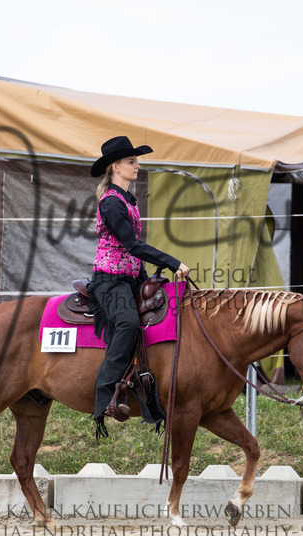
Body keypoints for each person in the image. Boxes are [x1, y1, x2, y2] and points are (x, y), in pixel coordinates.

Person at [87, 136, 190, 434]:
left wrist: (150, 279)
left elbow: (133, 255)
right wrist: (172, 262)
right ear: (116, 166)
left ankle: (148, 395)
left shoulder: (129, 200)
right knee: (129, 325)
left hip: (132, 277)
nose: (137, 165)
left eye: (136, 161)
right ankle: (105, 396)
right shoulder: (110, 203)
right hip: (110, 281)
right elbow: (131, 245)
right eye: (132, 161)